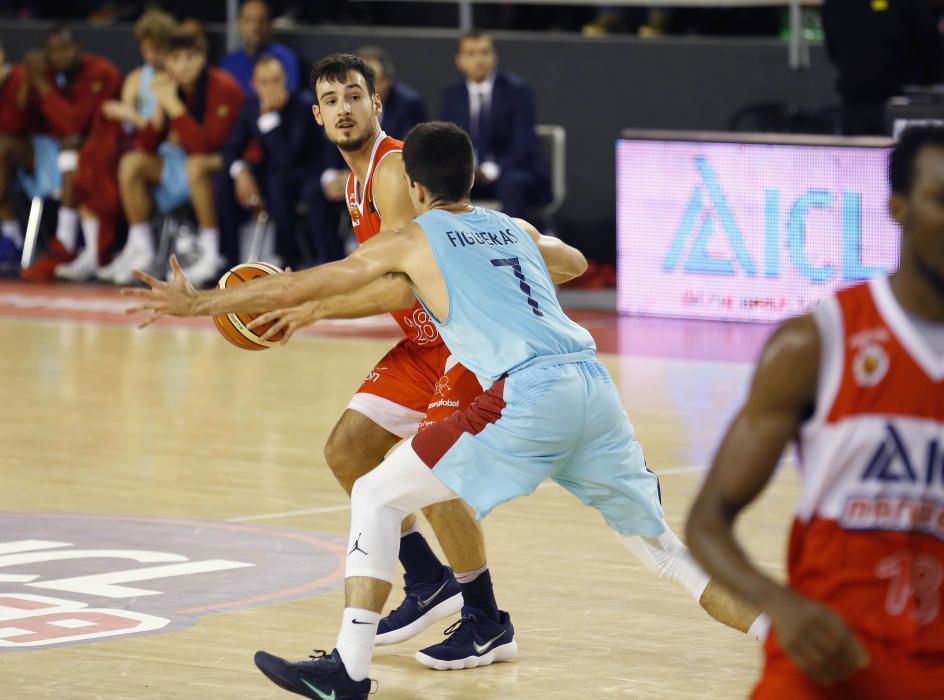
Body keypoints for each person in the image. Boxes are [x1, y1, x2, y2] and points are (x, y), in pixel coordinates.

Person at [126, 121, 768, 698]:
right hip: (594, 391)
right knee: (665, 553)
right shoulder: (512, 227)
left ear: (412, 182)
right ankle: (785, 638)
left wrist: (198, 303)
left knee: (376, 493)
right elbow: (570, 261)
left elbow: (309, 280)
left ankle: (349, 669)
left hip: (527, 397)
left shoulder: (414, 238)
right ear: (470, 176)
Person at [686, 125, 944, 698]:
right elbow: (708, 520)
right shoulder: (815, 342)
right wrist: (782, 607)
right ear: (898, 209)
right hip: (828, 658)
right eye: (941, 201)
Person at [105, 29, 243, 287]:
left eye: (190, 57)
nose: (184, 65)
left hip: (225, 160)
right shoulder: (169, 87)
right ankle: (141, 247)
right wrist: (160, 107)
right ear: (166, 63)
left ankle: (210, 252)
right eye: (176, 59)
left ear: (203, 58)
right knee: (131, 163)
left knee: (195, 165)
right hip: (184, 159)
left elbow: (206, 145)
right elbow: (145, 145)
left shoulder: (223, 86)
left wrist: (173, 105)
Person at [53, 9, 177, 282]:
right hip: (135, 149)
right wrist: (123, 117)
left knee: (126, 164)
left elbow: (154, 132)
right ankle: (97, 251)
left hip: (163, 155)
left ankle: (141, 249)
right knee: (86, 164)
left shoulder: (172, 77)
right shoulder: (135, 78)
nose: (151, 57)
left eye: (157, 50)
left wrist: (129, 114)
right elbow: (126, 128)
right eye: (146, 50)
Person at [0, 27, 121, 281]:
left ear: (78, 47)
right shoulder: (38, 71)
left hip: (99, 152)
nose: (57, 56)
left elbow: (74, 125)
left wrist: (42, 85)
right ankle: (10, 236)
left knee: (73, 149)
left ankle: (65, 240)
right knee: (4, 147)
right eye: (52, 51)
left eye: (64, 48)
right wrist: (28, 84)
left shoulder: (102, 72)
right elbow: (13, 126)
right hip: (51, 150)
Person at [217, 55, 342, 268]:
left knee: (279, 182)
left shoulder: (303, 106)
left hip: (306, 171)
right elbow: (231, 147)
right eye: (263, 82)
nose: (270, 88)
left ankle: (287, 258)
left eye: (275, 80)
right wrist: (241, 172)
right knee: (223, 182)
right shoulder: (250, 105)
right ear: (254, 85)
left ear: (286, 79)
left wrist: (268, 118)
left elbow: (287, 157)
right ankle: (228, 260)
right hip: (274, 170)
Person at [440, 31, 551, 219]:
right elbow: (448, 142)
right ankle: (451, 243)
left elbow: (523, 145)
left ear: (494, 57)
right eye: (471, 53)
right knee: (442, 183)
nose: (479, 60)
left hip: (508, 170)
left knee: (514, 183)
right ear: (459, 60)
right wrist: (470, 169)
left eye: (485, 52)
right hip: (468, 174)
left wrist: (491, 170)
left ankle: (511, 245)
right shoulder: (452, 94)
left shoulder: (518, 91)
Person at [822, 0, 943, 135]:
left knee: (862, 152)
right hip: (904, 104)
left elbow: (833, 51)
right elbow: (931, 50)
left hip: (855, 100)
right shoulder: (909, 4)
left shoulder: (834, 4)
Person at [221, 0, 300, 96]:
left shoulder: (285, 58)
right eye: (249, 20)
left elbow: (286, 96)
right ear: (239, 24)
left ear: (270, 24)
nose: (255, 27)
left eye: (261, 20)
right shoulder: (230, 61)